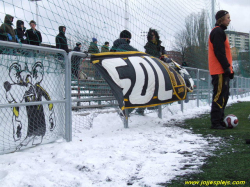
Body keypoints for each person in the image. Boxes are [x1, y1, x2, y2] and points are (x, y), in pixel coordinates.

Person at [208, 10, 234, 130]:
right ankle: (215, 122)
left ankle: (220, 120)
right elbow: (219, 52)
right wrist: (226, 67)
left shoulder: (221, 32)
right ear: (221, 19)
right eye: (228, 17)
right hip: (219, 70)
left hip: (223, 70)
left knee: (224, 95)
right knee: (219, 95)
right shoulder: (217, 32)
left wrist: (230, 69)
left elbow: (225, 53)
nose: (229, 20)